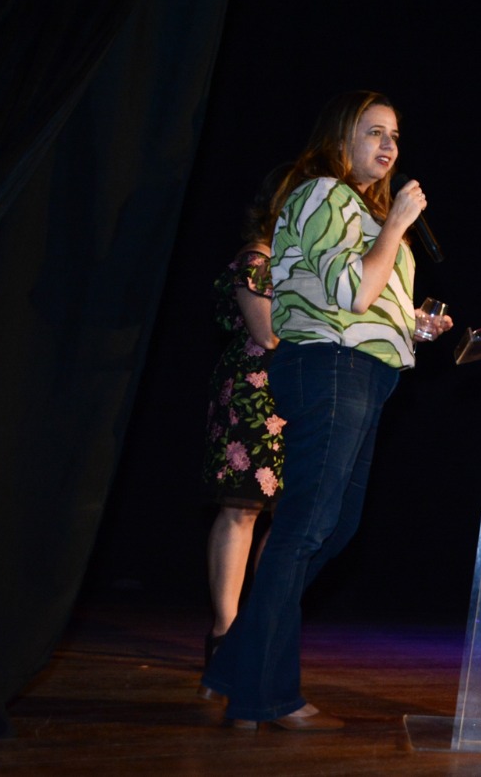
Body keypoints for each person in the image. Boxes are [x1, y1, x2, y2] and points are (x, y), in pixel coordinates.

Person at [199, 90, 453, 729]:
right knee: (307, 527)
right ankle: (264, 695)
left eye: (394, 134)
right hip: (328, 366)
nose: (389, 146)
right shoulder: (322, 194)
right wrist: (395, 225)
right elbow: (349, 289)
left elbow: (369, 295)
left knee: (332, 529)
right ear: (340, 138)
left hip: (366, 369)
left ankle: (236, 665)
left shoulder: (361, 212)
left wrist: (411, 323)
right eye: (373, 132)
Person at [200, 173, 286, 677]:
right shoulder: (258, 258)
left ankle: (261, 627)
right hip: (254, 391)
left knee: (288, 514)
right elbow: (268, 334)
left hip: (296, 391)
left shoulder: (301, 261)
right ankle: (225, 633)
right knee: (243, 508)